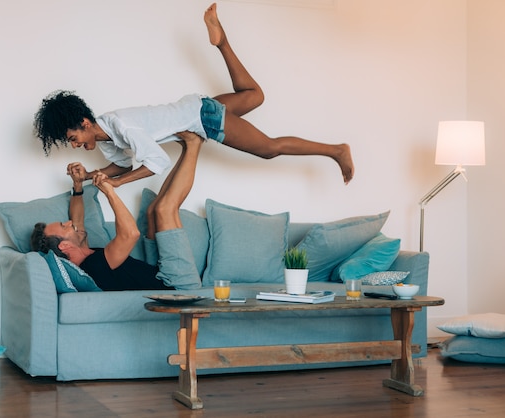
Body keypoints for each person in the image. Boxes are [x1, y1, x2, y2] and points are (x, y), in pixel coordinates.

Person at [33, 3, 354, 186]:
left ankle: (336, 150)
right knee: (254, 96)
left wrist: (115, 184)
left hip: (202, 118)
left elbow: (156, 161)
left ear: (85, 122)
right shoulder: (106, 138)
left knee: (269, 149)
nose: (74, 144)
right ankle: (221, 41)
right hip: (195, 107)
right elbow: (125, 165)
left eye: (72, 136)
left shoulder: (122, 127)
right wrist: (91, 176)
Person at [30, 131, 204, 291]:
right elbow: (131, 234)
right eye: (64, 226)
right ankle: (194, 144)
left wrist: (78, 185)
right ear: (65, 246)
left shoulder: (84, 252)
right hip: (176, 286)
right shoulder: (94, 267)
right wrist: (110, 192)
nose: (69, 222)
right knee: (164, 210)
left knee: (152, 212)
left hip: (157, 273)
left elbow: (77, 219)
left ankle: (186, 149)